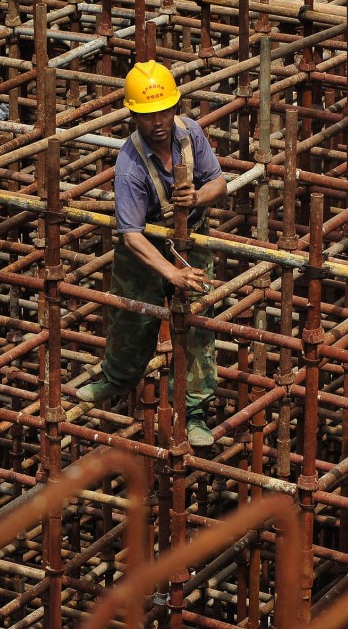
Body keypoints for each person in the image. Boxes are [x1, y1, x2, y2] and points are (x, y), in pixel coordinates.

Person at [76, 60, 227, 447]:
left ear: (175, 107)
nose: (157, 121)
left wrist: (197, 195)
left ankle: (193, 411)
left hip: (191, 239)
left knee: (195, 321)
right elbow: (130, 235)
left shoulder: (190, 133)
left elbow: (219, 183)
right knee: (132, 315)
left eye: (163, 111)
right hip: (145, 247)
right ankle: (117, 378)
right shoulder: (129, 166)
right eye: (147, 114)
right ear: (133, 115)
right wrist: (170, 274)